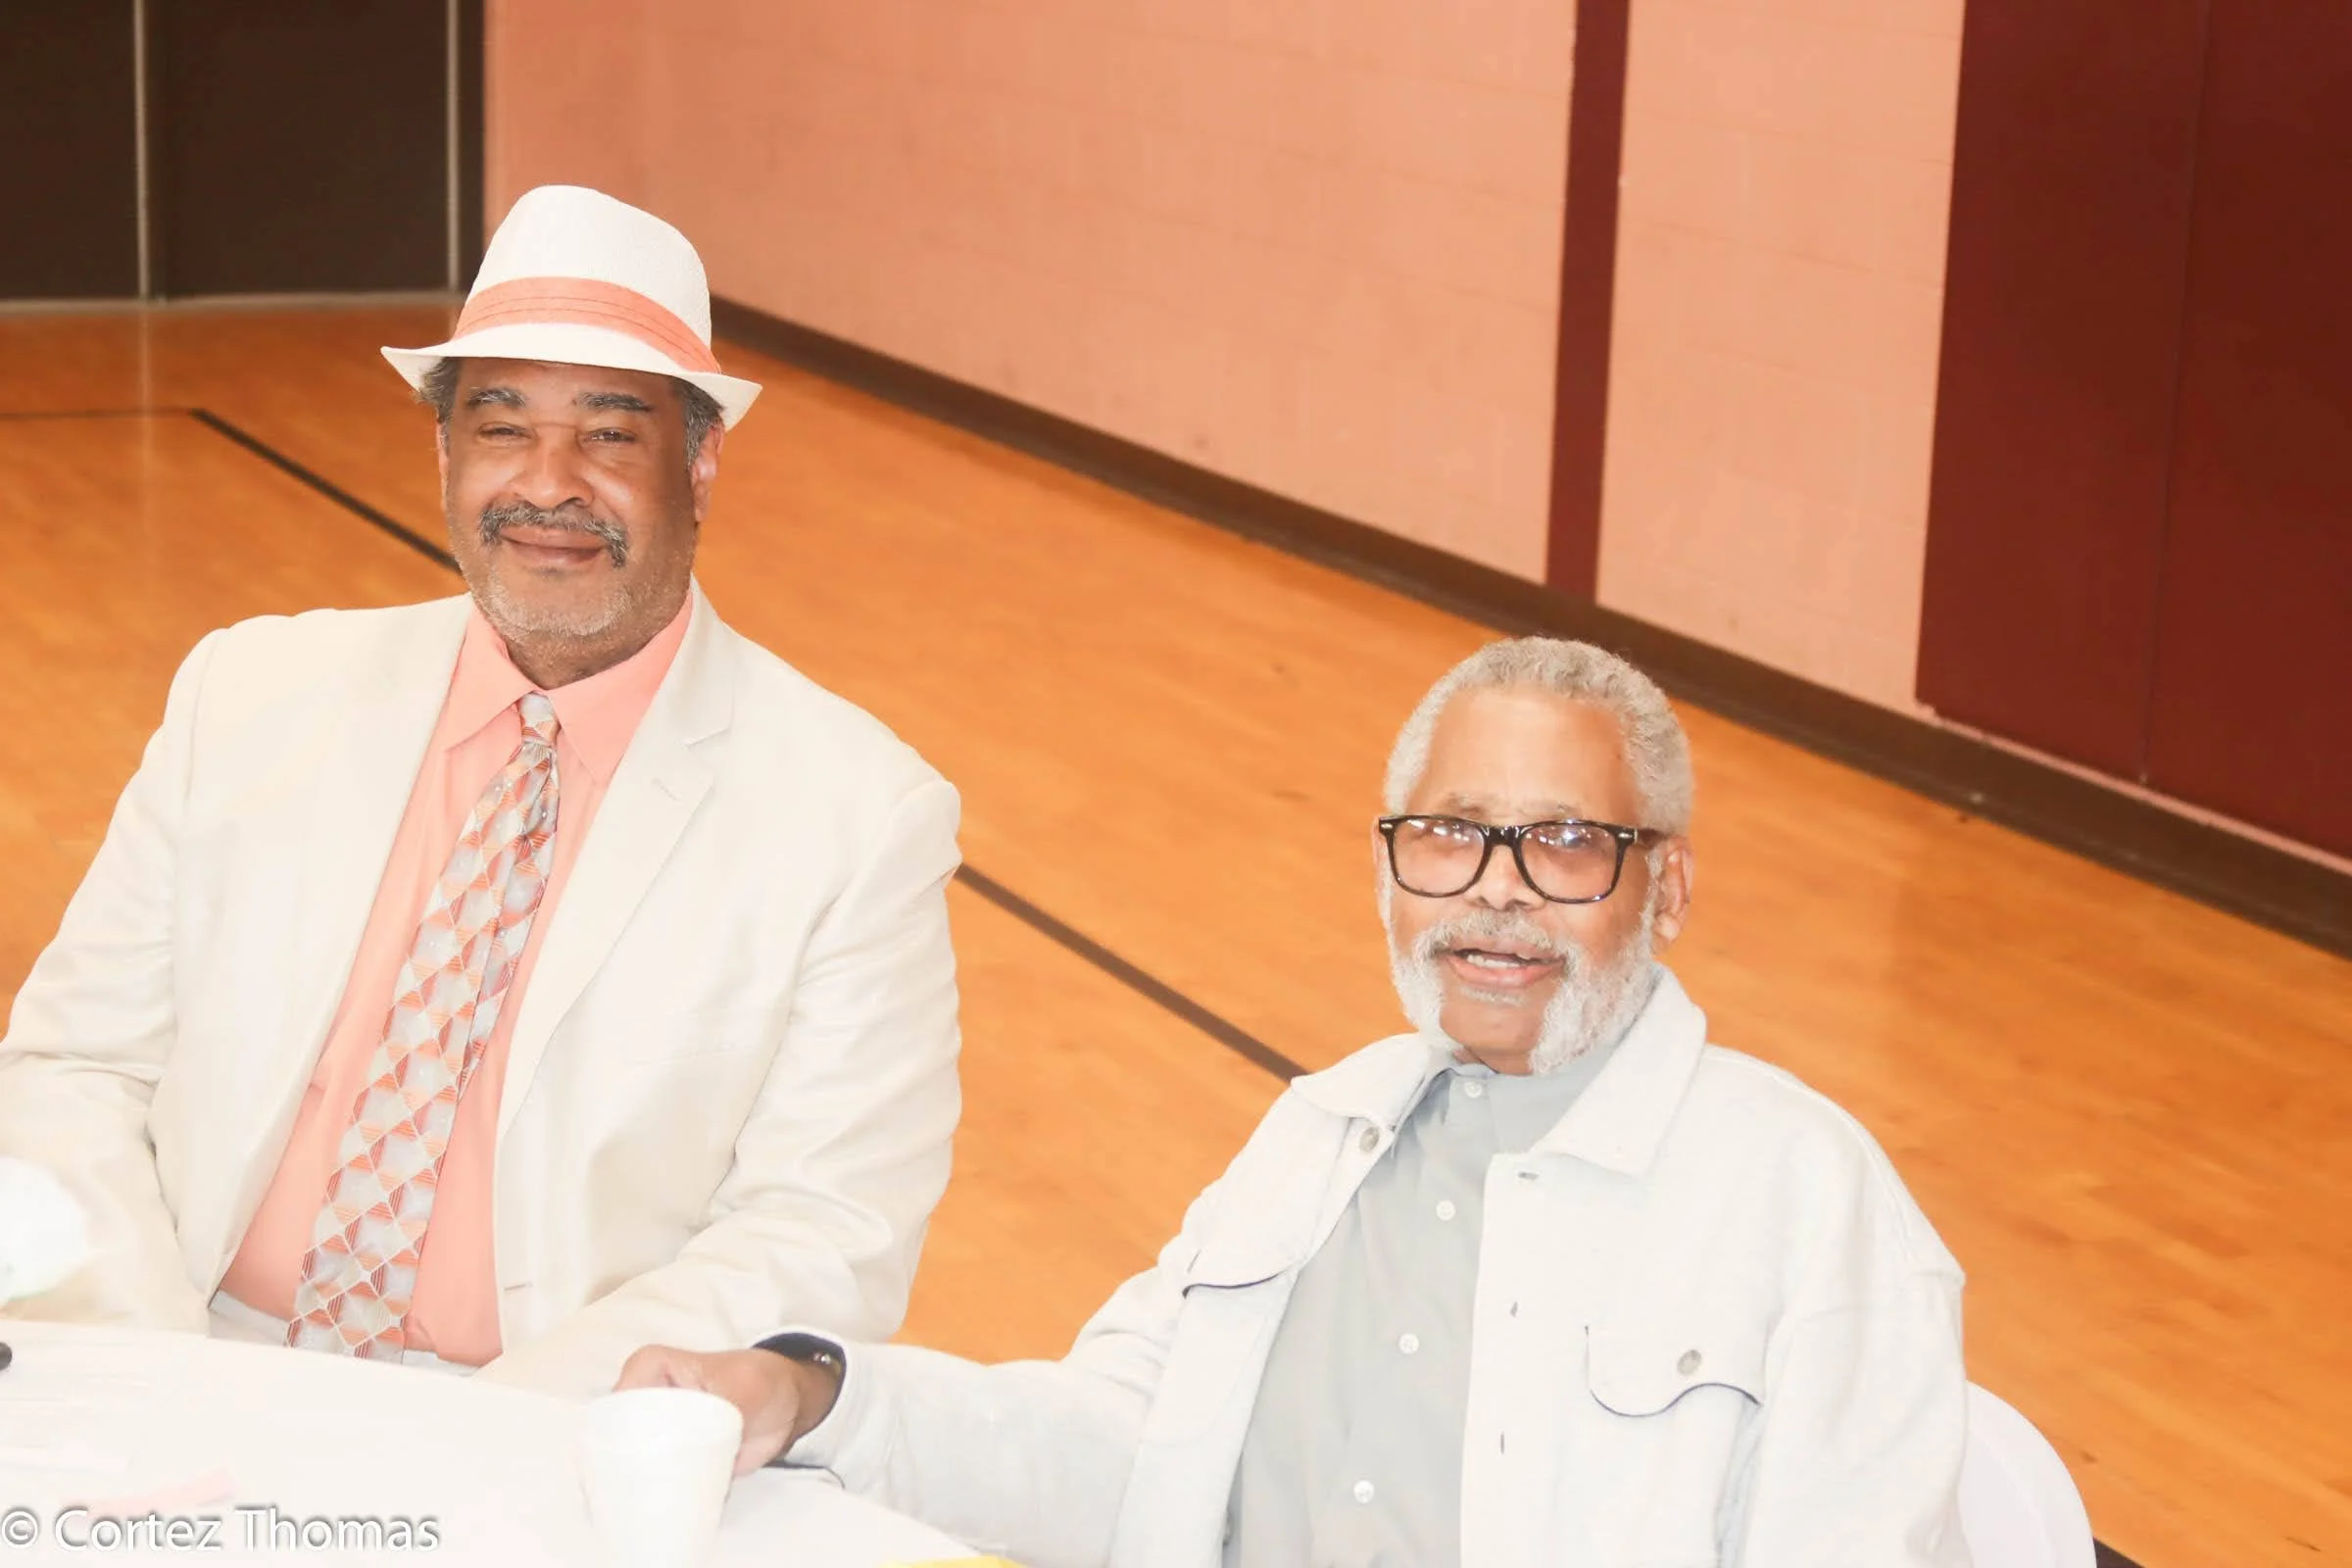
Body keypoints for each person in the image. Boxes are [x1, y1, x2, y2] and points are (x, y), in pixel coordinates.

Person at [621, 638, 1974, 1568]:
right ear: (1393, 869)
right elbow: (1119, 1451)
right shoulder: (1323, 1136)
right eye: (1450, 833)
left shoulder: (1806, 1201)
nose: (1495, 890)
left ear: (1665, 890)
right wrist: (810, 1394)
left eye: (1568, 843)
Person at [0, 185, 963, 1398]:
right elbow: (72, 1073)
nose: (548, 485)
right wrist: (163, 1380)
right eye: (503, 427)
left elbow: (825, 1228)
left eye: (611, 434)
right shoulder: (246, 696)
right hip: (187, 1357)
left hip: (550, 1432)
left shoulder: (856, 817)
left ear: (703, 461)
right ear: (446, 452)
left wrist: (484, 1461)